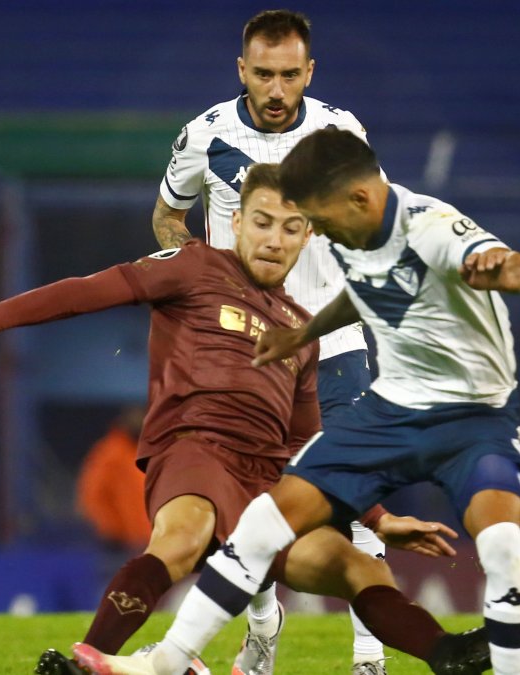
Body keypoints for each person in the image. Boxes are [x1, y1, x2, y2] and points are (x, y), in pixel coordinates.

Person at [0, 164, 493, 675]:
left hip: (263, 482)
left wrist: (381, 520)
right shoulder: (191, 266)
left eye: (291, 228)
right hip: (194, 448)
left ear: (307, 236)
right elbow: (88, 291)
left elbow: (310, 447)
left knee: (352, 564)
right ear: (236, 222)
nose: (274, 239)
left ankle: (445, 654)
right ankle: (91, 658)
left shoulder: (301, 332)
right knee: (183, 536)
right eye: (262, 221)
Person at [75, 128, 520, 675]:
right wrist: (300, 335)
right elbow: (363, 297)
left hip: (473, 420)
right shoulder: (354, 242)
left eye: (314, 221)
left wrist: (500, 270)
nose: (314, 234)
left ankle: (434, 652)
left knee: (501, 549)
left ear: (358, 198)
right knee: (263, 527)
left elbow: (510, 263)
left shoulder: (432, 227)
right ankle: (170, 663)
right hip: (392, 412)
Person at [151, 10, 385, 672]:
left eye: (290, 75)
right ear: (241, 71)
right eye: (264, 75)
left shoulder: (342, 134)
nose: (277, 90)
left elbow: (379, 220)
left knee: (358, 492)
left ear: (310, 72)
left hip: (332, 345)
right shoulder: (206, 135)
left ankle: (369, 657)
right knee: (246, 505)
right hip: (242, 349)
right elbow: (167, 213)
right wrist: (196, 273)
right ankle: (262, 621)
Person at [78, 406, 152, 551]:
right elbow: (92, 495)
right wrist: (111, 529)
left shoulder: (144, 452)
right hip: (118, 542)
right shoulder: (110, 452)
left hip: (145, 540)